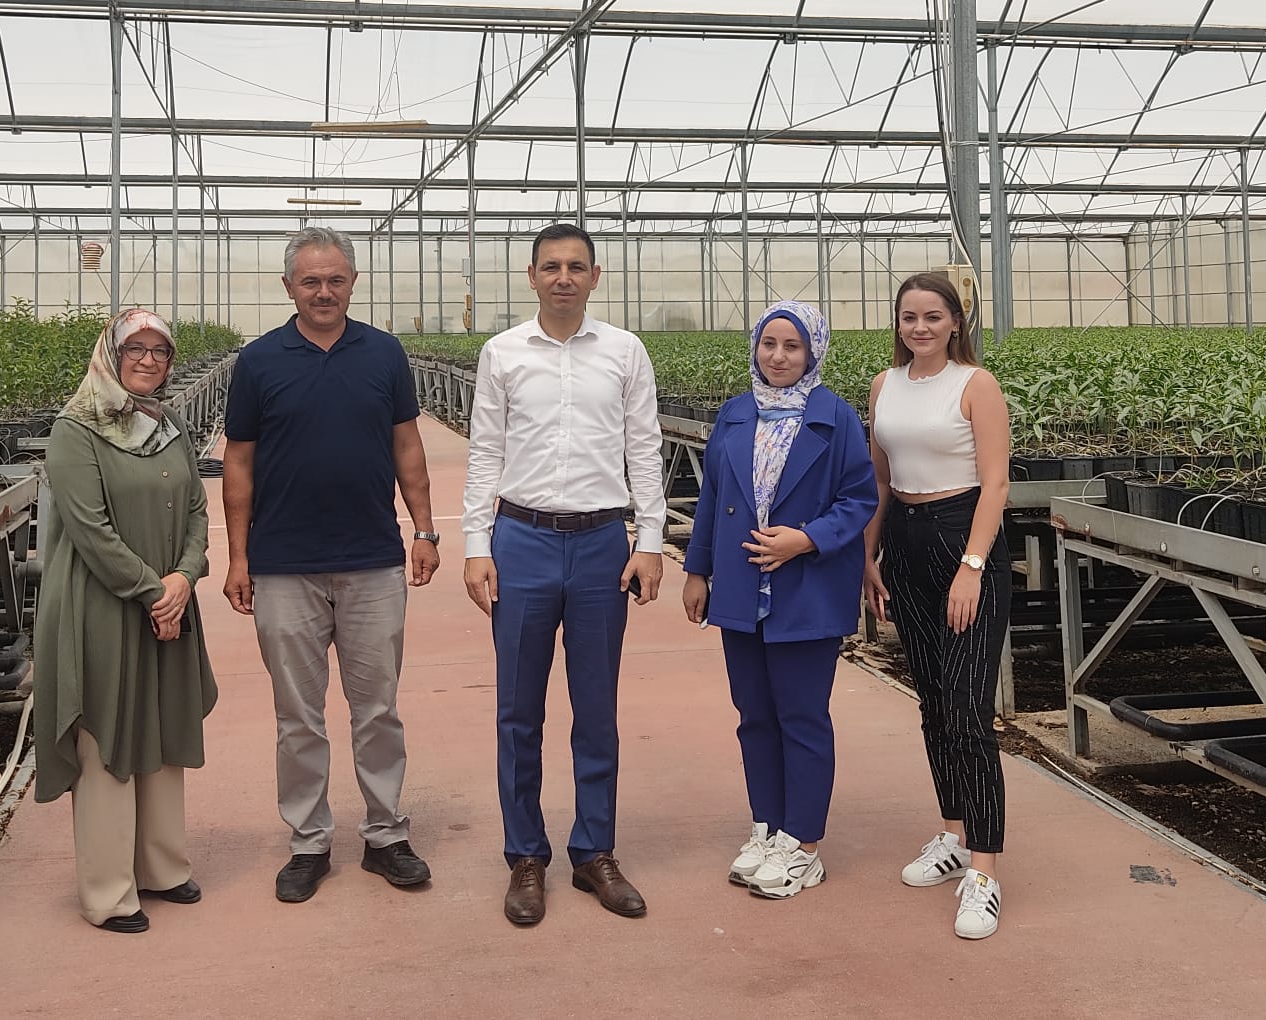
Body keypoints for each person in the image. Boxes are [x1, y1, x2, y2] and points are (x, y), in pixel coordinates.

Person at [222, 226, 439, 905]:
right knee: (298, 715)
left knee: (377, 709)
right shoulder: (258, 362)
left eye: (335, 279)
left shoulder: (383, 354)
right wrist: (238, 556)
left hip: (372, 559)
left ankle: (385, 835)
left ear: (352, 283)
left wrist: (425, 530)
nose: (324, 290)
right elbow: (238, 461)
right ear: (289, 287)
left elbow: (408, 447)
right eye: (310, 280)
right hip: (285, 565)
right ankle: (309, 841)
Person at [460, 223, 666, 927]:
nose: (564, 277)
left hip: (603, 544)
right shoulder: (503, 353)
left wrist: (651, 540)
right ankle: (525, 856)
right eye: (552, 266)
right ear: (532, 275)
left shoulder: (624, 352)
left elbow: (645, 447)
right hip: (521, 539)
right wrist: (475, 543)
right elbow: (484, 449)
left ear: (595, 276)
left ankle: (594, 852)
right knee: (518, 709)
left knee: (597, 707)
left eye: (577, 266)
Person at [682, 300, 877, 900]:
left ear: (813, 351)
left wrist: (806, 539)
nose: (779, 357)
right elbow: (713, 497)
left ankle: (804, 843)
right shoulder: (736, 415)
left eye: (793, 346)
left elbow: (859, 499)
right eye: (769, 344)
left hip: (806, 591)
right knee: (755, 718)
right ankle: (767, 825)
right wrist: (698, 570)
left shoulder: (834, 418)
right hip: (743, 593)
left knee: (803, 718)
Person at [34, 308, 217, 933]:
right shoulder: (75, 428)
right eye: (134, 349)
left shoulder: (169, 425)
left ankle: (162, 867)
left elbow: (196, 509)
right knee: (107, 735)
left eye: (160, 351)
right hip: (102, 606)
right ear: (110, 354)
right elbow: (90, 530)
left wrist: (184, 579)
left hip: (166, 600)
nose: (147, 360)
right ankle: (109, 889)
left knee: (161, 722)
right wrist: (153, 591)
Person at [861, 271, 1014, 940]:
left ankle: (984, 870)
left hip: (962, 535)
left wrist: (972, 567)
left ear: (956, 322)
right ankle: (952, 833)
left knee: (968, 706)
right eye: (908, 317)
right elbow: (881, 477)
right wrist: (868, 555)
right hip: (905, 540)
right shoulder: (884, 386)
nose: (919, 327)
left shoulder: (975, 385)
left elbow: (997, 481)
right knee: (930, 699)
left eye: (932, 316)